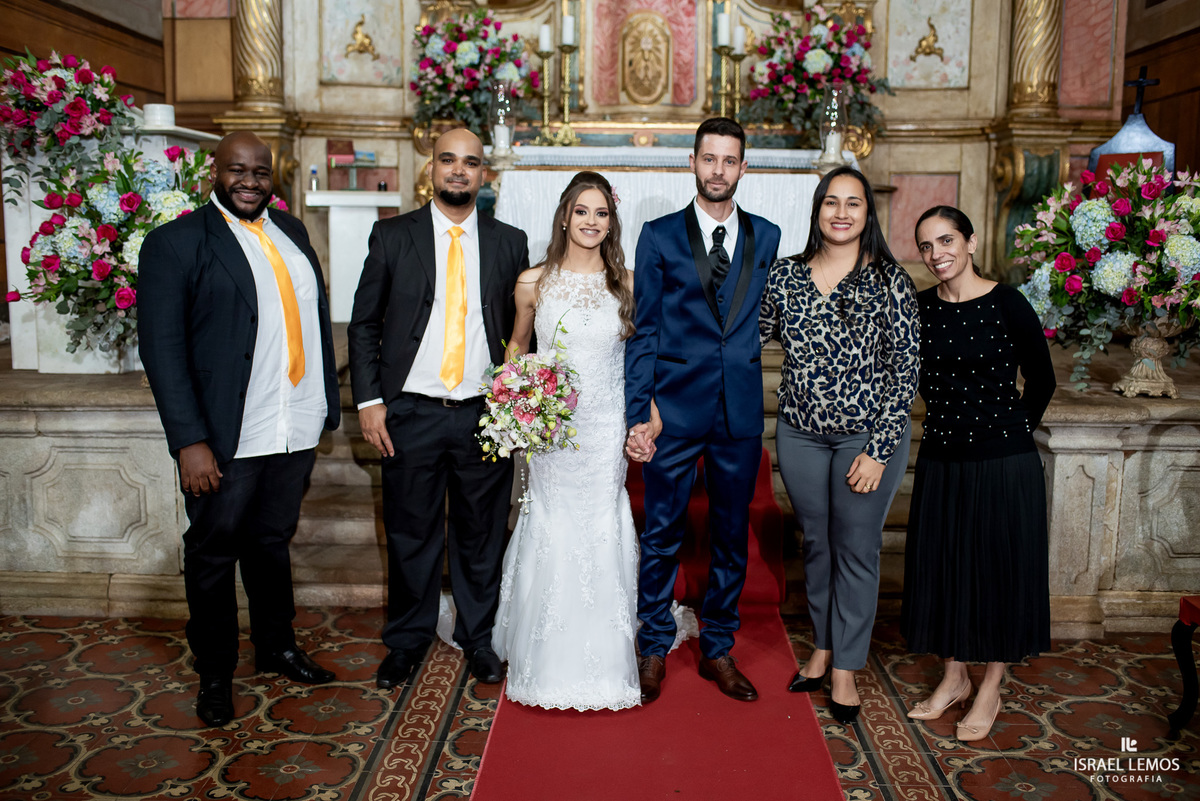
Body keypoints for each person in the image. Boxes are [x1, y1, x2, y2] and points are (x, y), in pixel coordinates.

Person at [139, 131, 341, 728]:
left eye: (260, 171)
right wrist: (189, 441)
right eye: (237, 170)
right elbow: (164, 350)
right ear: (214, 173)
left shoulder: (294, 233)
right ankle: (216, 671)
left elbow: (313, 319)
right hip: (228, 432)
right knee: (212, 550)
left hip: (293, 422)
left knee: (271, 541)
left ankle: (275, 646)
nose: (250, 181)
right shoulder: (175, 244)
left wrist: (323, 402)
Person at [347, 128, 530, 690]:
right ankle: (406, 641)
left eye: (470, 163)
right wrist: (371, 402)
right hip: (412, 412)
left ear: (484, 175)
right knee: (411, 534)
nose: (459, 171)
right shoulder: (392, 236)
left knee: (480, 536)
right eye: (448, 160)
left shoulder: (509, 242)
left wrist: (519, 404)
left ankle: (479, 639)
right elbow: (364, 325)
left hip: (482, 414)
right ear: (431, 168)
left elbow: (522, 332)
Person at [625, 117, 782, 704]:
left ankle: (718, 647)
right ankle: (653, 646)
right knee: (661, 532)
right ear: (692, 163)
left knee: (730, 537)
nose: (719, 170)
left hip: (738, 413)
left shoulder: (766, 236)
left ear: (744, 167)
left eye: (729, 160)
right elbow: (644, 331)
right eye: (709, 159)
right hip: (673, 411)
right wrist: (642, 408)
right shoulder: (660, 235)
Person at [760, 165, 920, 724]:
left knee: (855, 547)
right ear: (817, 211)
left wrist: (879, 449)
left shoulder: (889, 281)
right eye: (832, 202)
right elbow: (745, 336)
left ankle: (847, 668)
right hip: (801, 433)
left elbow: (905, 372)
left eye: (853, 203)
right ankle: (823, 647)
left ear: (867, 215)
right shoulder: (785, 277)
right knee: (817, 546)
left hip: (863, 438)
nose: (842, 212)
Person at [901, 206, 1055, 742]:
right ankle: (952, 678)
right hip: (943, 459)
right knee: (946, 569)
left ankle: (990, 685)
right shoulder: (920, 309)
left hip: (1004, 462)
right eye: (926, 246)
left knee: (998, 572)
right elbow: (913, 380)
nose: (937, 253)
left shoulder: (1008, 302)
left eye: (946, 241)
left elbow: (1042, 379)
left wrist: (1011, 431)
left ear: (970, 241)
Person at [491, 171, 641, 710]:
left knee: (601, 525)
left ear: (611, 221)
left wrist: (646, 421)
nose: (591, 222)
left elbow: (638, 361)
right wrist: (515, 405)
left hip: (605, 430)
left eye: (601, 213)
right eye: (582, 211)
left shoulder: (626, 281)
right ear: (563, 216)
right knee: (550, 524)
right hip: (553, 432)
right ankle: (544, 657)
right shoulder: (534, 281)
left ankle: (607, 661)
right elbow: (517, 346)